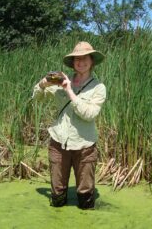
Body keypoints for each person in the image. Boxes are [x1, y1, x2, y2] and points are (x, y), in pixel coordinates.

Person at [32, 41, 106, 209]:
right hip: (58, 144)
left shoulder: (98, 88)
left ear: (92, 61)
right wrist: (43, 84)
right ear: (73, 63)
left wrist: (69, 90)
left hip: (85, 146)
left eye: (84, 58)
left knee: (85, 196)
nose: (81, 61)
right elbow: (37, 98)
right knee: (57, 196)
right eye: (76, 59)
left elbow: (89, 114)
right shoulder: (59, 82)